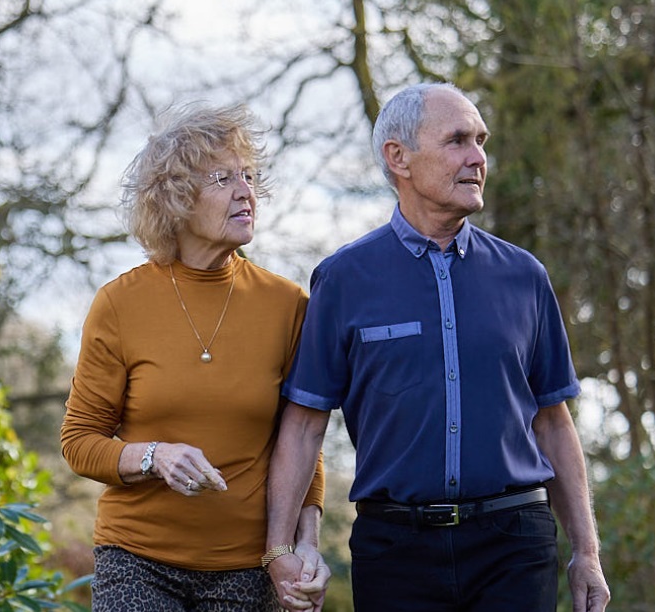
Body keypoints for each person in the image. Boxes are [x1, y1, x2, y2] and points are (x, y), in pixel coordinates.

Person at [265, 83, 611, 612]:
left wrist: (587, 552)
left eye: (481, 141)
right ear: (398, 157)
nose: (478, 158)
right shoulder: (343, 279)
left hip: (514, 544)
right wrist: (279, 550)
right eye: (457, 141)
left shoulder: (524, 276)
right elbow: (304, 425)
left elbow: (553, 422)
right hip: (394, 549)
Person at [60, 103, 331, 611]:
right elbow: (79, 442)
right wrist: (153, 456)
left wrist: (304, 545)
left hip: (247, 569)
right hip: (136, 561)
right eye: (223, 178)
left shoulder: (288, 304)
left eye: (248, 176)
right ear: (177, 199)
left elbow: (301, 439)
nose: (245, 191)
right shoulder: (119, 304)